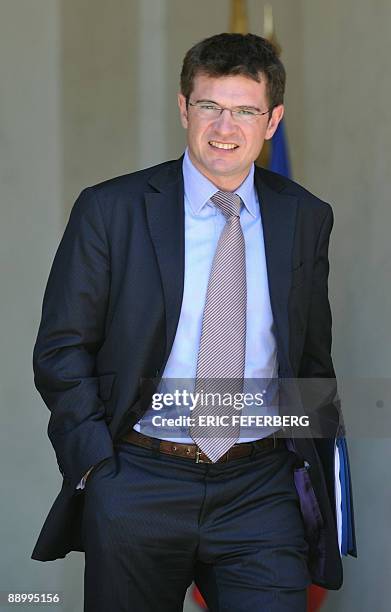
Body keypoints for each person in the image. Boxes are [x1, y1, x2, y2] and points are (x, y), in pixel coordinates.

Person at [32, 33, 355, 611]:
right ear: (184, 108)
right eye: (210, 106)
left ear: (273, 120)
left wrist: (311, 476)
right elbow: (62, 348)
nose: (225, 128)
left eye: (245, 111)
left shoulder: (306, 216)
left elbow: (310, 356)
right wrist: (98, 470)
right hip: (139, 480)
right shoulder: (112, 210)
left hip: (260, 490)